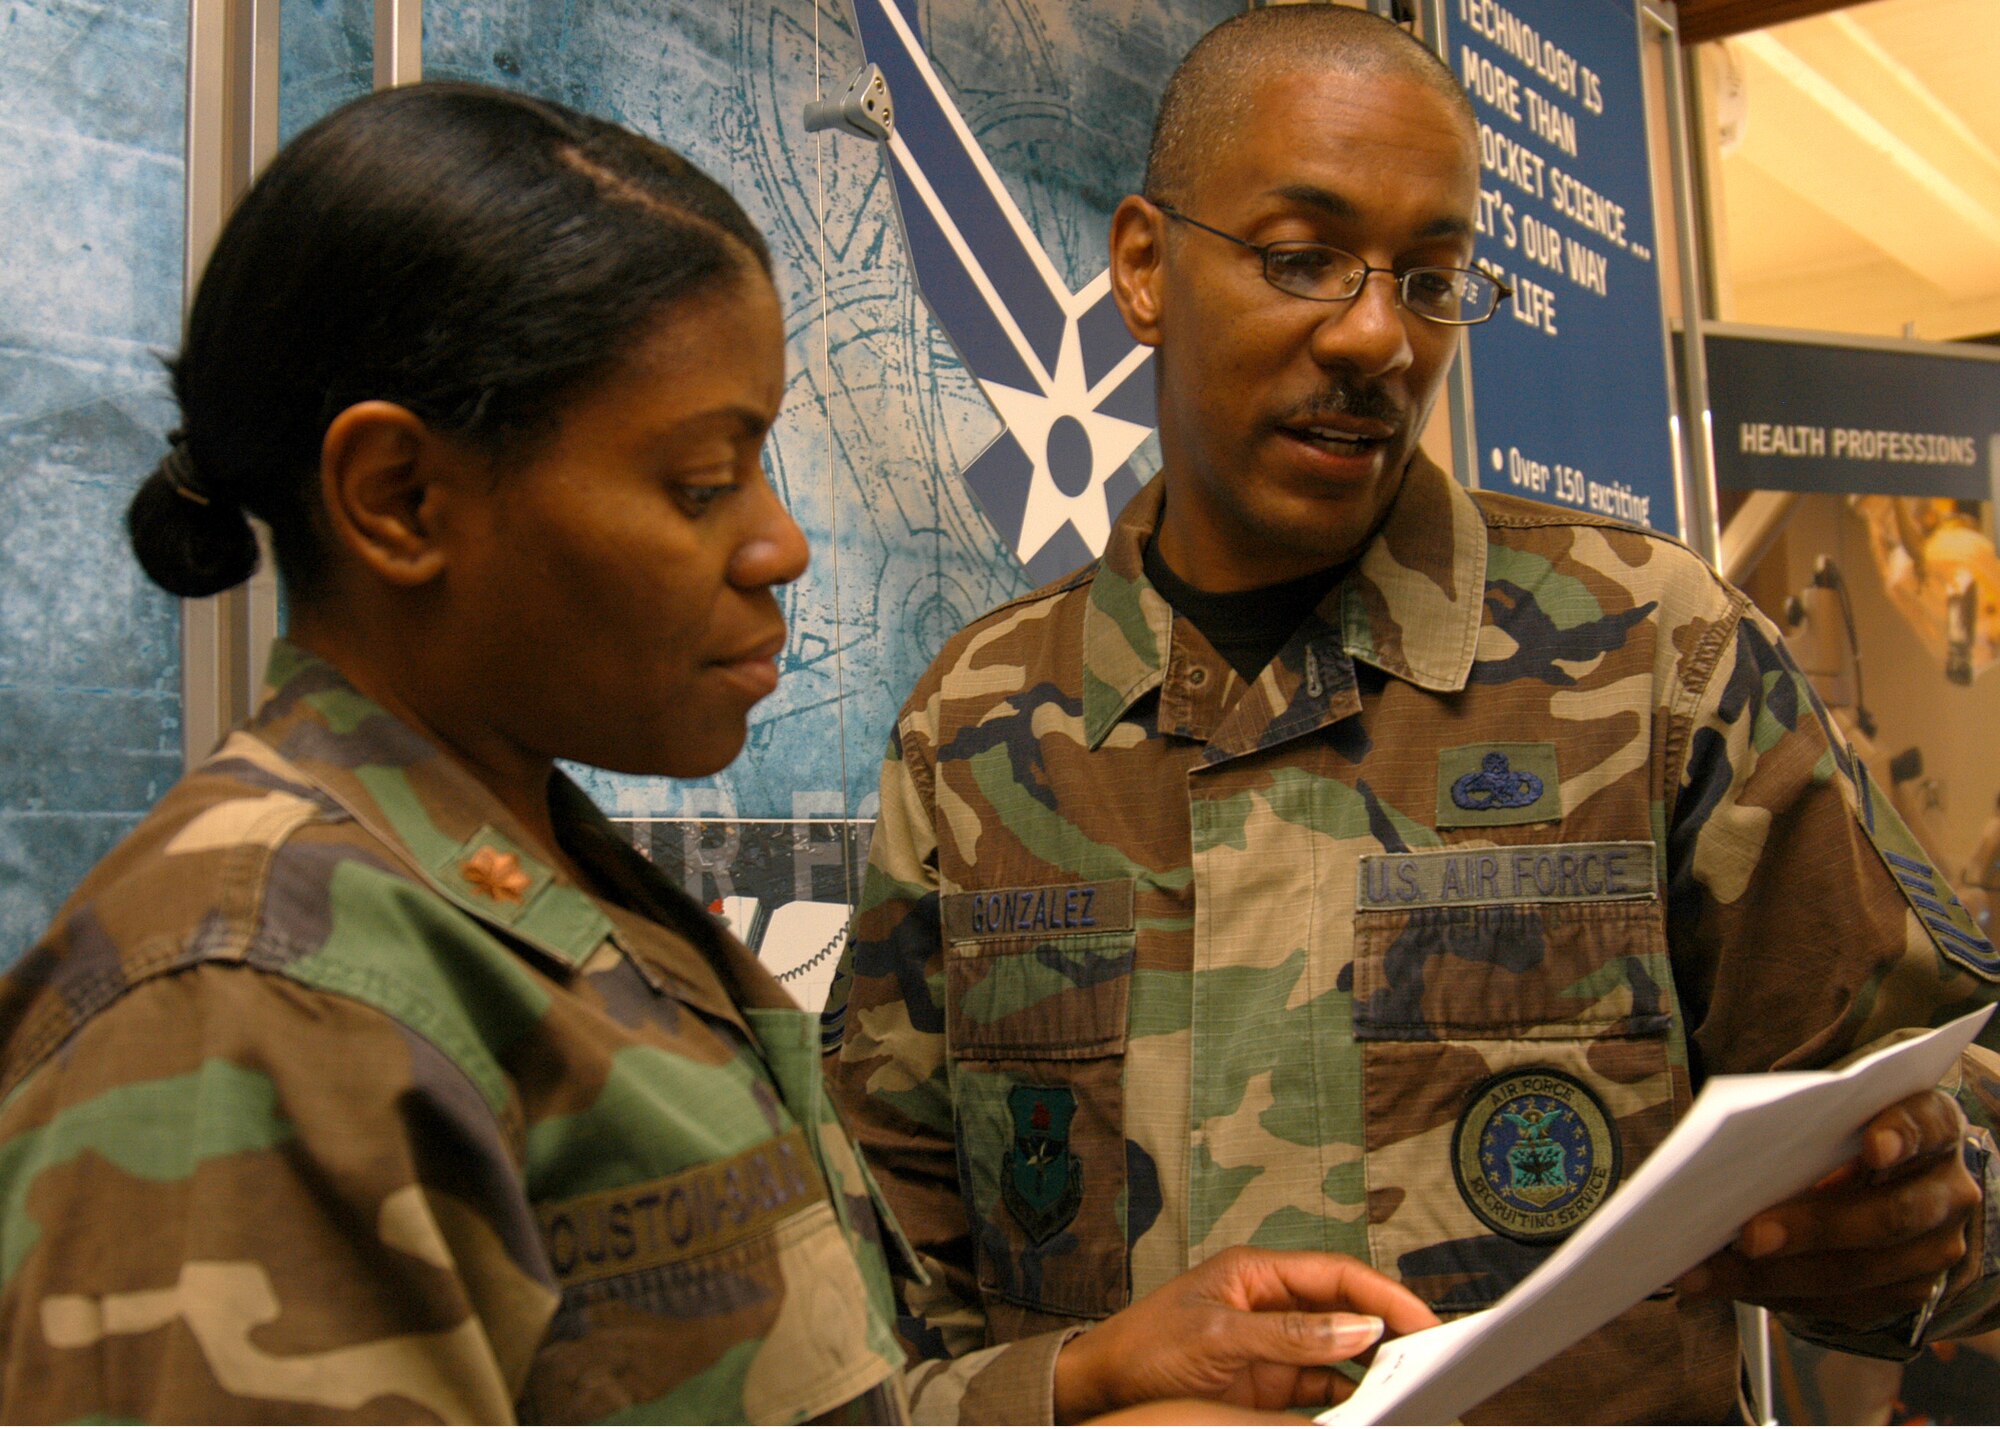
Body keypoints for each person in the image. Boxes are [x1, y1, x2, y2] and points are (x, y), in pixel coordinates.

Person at [0, 82, 1434, 1424]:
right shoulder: (251, 1008)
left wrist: (1082, 1378)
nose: (781, 543)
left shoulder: (557, 908)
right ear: (400, 497)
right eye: (699, 481)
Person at [822, 8, 2000, 1423]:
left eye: (1433, 278)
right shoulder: (978, 730)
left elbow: (1938, 1105)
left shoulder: (1655, 655)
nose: (1378, 333)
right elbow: (872, 1303)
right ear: (1144, 266)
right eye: (1304, 257)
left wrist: (1939, 1204)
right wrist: (1062, 1393)